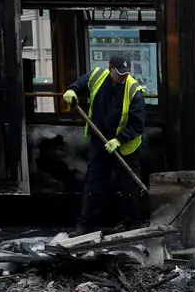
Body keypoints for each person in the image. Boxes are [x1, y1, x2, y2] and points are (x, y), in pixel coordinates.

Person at [63, 56, 147, 236]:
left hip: (125, 146)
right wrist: (72, 90)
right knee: (94, 183)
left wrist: (119, 140)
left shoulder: (134, 90)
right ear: (110, 69)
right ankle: (85, 225)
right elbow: (81, 83)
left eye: (126, 74)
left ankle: (133, 226)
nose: (123, 78)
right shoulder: (96, 76)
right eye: (119, 74)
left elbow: (137, 124)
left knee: (129, 186)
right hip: (100, 141)